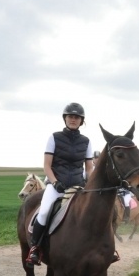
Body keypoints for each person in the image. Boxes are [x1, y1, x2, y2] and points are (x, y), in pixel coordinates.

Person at [27, 102, 94, 265]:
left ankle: (100, 247)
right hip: (57, 186)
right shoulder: (54, 137)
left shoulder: (86, 141)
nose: (73, 119)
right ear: (65, 118)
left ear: (81, 121)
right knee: (43, 212)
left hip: (78, 187)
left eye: (77, 117)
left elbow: (89, 168)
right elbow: (47, 165)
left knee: (94, 212)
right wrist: (55, 182)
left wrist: (90, 185)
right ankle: (35, 248)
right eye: (70, 116)